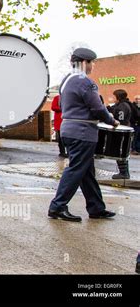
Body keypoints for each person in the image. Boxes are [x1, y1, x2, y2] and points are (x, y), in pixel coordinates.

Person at [48, 47, 119, 222]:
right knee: (76, 169)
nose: (93, 65)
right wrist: (111, 120)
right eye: (93, 62)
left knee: (86, 171)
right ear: (85, 62)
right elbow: (96, 108)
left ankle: (96, 207)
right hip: (82, 132)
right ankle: (57, 207)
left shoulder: (66, 80)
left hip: (69, 129)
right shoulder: (85, 82)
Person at [107, 89, 131, 179]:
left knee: (120, 151)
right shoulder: (121, 105)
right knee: (121, 151)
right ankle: (123, 172)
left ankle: (124, 173)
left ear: (118, 97)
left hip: (121, 131)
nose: (112, 98)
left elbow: (121, 119)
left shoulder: (122, 106)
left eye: (114, 96)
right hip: (122, 131)